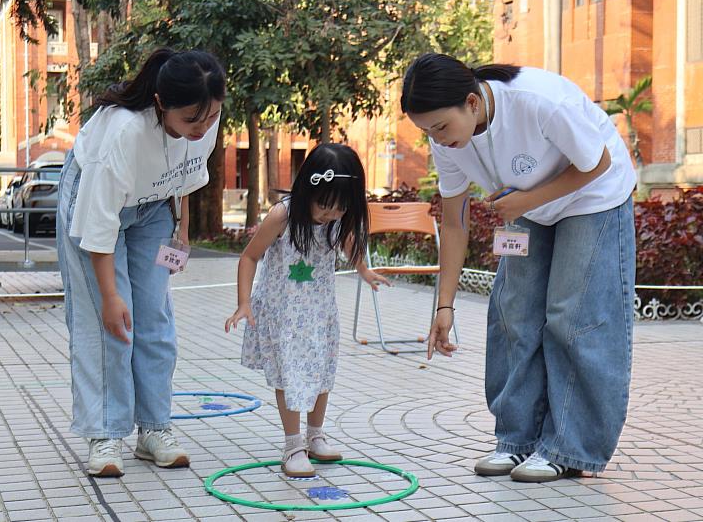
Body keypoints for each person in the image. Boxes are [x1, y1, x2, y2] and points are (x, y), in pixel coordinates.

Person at [400, 53, 636, 482]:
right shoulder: (447, 140)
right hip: (527, 201)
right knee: (514, 313)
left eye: (440, 126)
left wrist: (525, 201)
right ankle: (517, 441)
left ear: (472, 103)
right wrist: (444, 306)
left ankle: (569, 447)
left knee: (574, 316)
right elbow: (454, 223)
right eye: (427, 131)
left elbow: (597, 162)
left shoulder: (538, 100)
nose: (436, 138)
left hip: (592, 194)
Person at [56, 48, 225, 477]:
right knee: (111, 323)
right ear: (160, 103)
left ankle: (154, 430)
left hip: (153, 209)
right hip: (94, 203)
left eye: (210, 118)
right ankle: (105, 433)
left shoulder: (203, 116)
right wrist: (110, 296)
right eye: (193, 120)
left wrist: (181, 231)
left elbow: (184, 172)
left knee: (155, 319)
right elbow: (98, 224)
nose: (203, 127)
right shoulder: (126, 132)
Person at [224, 143, 390, 478]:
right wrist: (243, 302)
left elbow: (348, 246)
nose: (330, 215)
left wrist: (364, 270)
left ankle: (316, 436)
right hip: (283, 312)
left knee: (322, 371)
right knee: (291, 373)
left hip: (320, 311)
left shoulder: (337, 219)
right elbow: (249, 257)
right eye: (325, 206)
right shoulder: (282, 216)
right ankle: (293, 444)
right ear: (307, 190)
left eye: (340, 209)